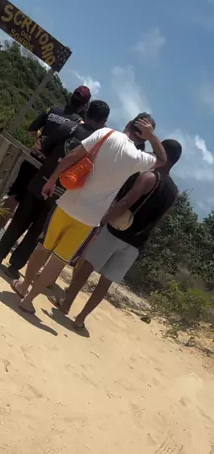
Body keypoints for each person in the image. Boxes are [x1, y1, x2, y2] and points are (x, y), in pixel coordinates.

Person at [12, 114, 167, 314]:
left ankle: (24, 286)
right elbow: (162, 159)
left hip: (67, 204)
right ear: (143, 136)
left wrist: (52, 179)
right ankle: (29, 300)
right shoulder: (138, 158)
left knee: (43, 248)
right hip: (90, 219)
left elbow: (73, 155)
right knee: (58, 261)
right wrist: (152, 136)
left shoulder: (105, 134)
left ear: (128, 123)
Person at [54, 139, 182, 329]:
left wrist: (103, 220)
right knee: (105, 282)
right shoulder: (174, 193)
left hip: (116, 232)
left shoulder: (149, 177)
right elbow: (159, 221)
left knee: (87, 267)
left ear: (162, 153)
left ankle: (66, 303)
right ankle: (81, 318)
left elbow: (125, 203)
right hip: (136, 243)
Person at [0, 100, 110, 275]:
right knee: (37, 231)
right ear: (103, 122)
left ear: (87, 111)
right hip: (62, 194)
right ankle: (14, 267)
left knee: (20, 219)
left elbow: (45, 146)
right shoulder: (98, 147)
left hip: (42, 181)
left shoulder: (70, 127)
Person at [0, 86, 91, 241]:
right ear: (84, 105)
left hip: (33, 158)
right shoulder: (78, 123)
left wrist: (40, 139)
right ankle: (10, 239)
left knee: (15, 194)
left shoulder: (53, 110)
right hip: (48, 169)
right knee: (31, 206)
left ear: (71, 97)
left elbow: (31, 130)